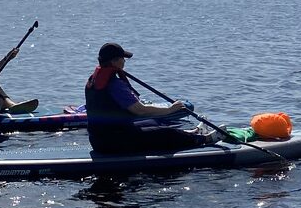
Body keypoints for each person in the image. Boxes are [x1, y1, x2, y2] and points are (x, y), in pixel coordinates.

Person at [83, 42, 214, 155]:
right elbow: (140, 110)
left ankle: (193, 132)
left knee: (153, 123)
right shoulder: (114, 84)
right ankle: (205, 139)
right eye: (123, 58)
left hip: (100, 138)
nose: (124, 61)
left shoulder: (93, 80)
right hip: (113, 143)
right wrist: (170, 110)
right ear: (114, 61)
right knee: (167, 134)